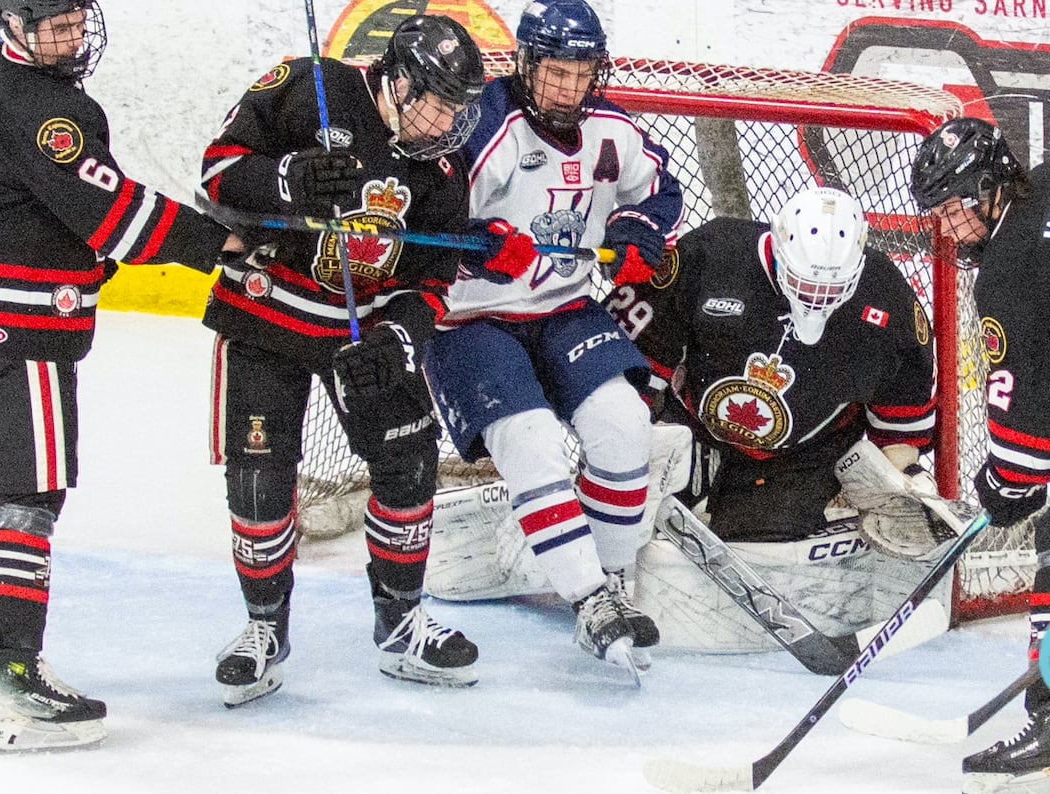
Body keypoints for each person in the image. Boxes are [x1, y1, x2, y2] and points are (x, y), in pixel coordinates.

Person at [0, 0, 229, 752]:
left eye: (76, 20)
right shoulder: (48, 112)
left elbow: (51, 206)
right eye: (52, 26)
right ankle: (15, 680)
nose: (71, 37)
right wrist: (218, 241)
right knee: (29, 498)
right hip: (19, 329)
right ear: (12, 24)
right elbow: (117, 220)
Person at [199, 15, 487, 707]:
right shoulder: (309, 89)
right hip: (268, 314)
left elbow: (434, 276)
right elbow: (216, 173)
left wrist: (399, 341)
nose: (447, 122)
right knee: (262, 477)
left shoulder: (443, 168)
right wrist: (288, 180)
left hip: (364, 332)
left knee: (410, 459)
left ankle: (400, 626)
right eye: (437, 102)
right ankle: (264, 629)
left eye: (459, 108)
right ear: (398, 79)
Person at [422, 0, 684, 678]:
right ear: (527, 63)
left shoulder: (612, 129)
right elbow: (427, 214)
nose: (568, 87)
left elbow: (660, 191)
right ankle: (589, 598)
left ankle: (611, 582)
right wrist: (473, 248)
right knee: (532, 440)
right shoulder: (483, 125)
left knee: (626, 425)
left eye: (582, 72)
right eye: (555, 71)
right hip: (470, 318)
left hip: (563, 307)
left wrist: (634, 231)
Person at [604, 185, 950, 649]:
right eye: (806, 282)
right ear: (779, 242)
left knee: (754, 547)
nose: (816, 297)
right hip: (691, 429)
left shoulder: (890, 303)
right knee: (625, 498)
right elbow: (640, 360)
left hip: (804, 453)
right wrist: (630, 447)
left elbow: (901, 425)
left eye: (831, 287)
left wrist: (900, 484)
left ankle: (752, 504)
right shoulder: (713, 253)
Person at [910, 118, 1050, 794]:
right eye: (939, 214)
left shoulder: (1005, 272)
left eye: (955, 208)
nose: (951, 227)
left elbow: (1024, 420)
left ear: (991, 189)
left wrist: (1007, 479)